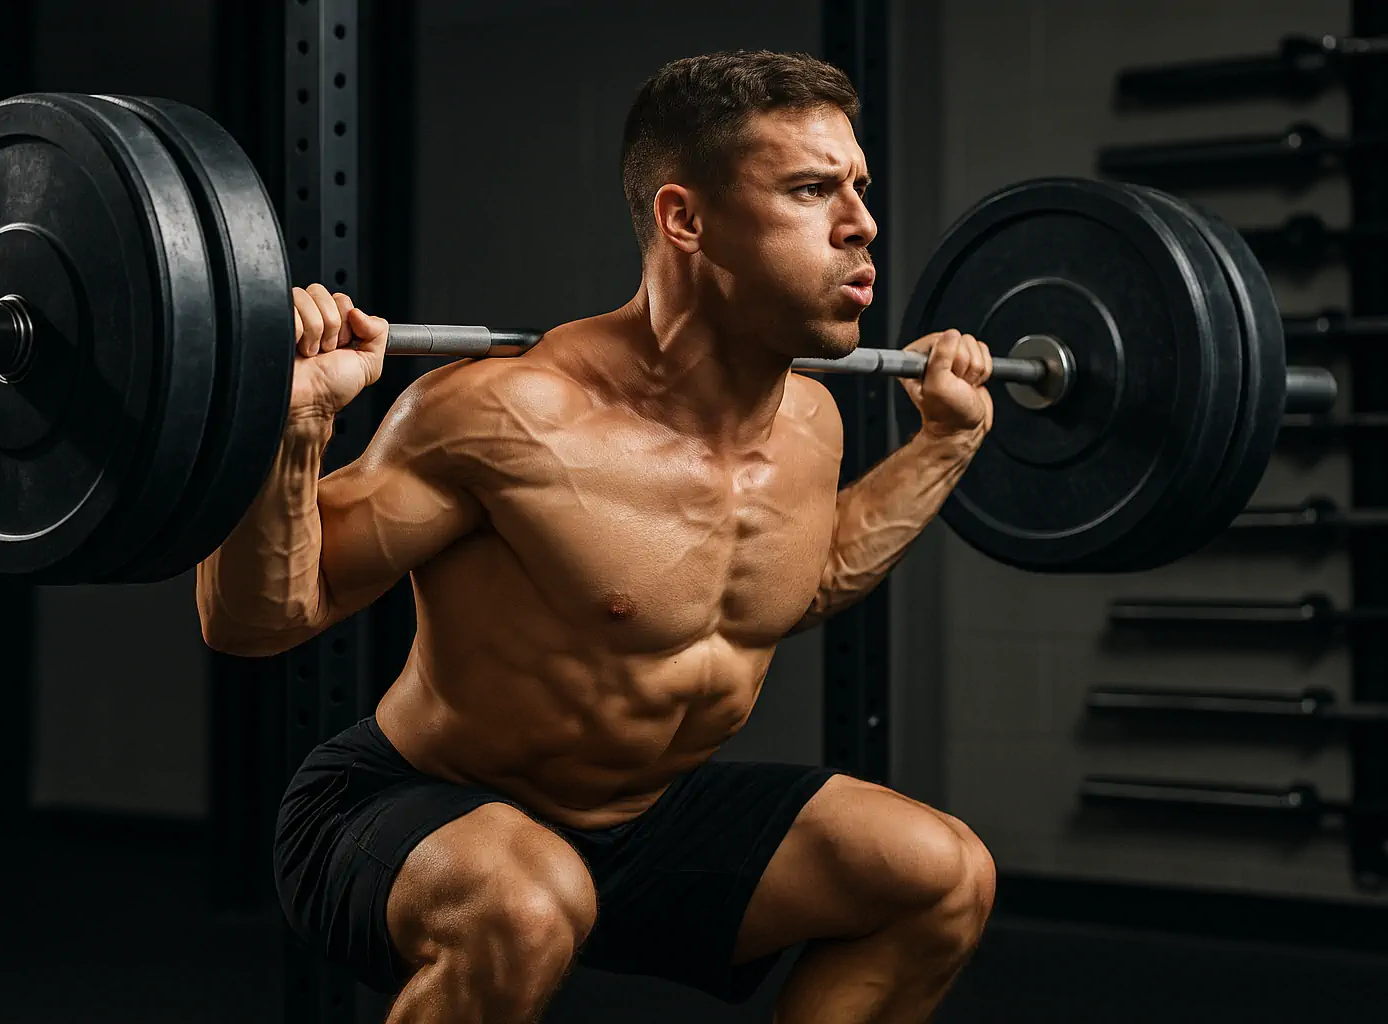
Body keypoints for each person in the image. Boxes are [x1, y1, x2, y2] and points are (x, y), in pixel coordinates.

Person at [198, 50, 996, 1024]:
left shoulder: (810, 425)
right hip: (408, 809)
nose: (864, 222)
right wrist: (289, 428)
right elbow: (258, 621)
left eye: (859, 188)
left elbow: (808, 574)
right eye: (811, 188)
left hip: (639, 822)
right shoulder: (504, 416)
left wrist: (945, 445)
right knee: (528, 904)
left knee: (940, 872)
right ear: (683, 219)